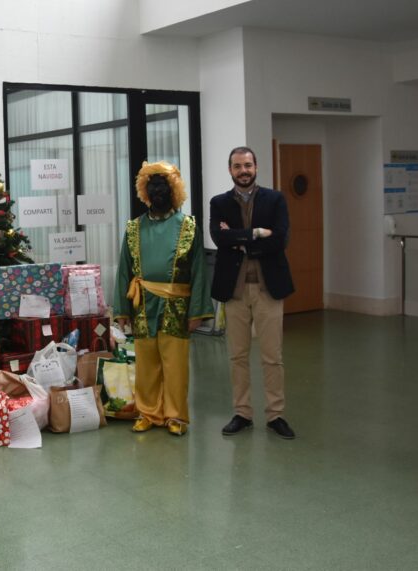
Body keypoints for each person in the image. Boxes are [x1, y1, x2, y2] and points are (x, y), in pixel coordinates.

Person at [114, 161, 212, 436]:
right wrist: (122, 309)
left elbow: (199, 272)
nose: (157, 191)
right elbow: (124, 269)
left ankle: (175, 415)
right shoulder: (133, 229)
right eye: (152, 185)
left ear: (174, 190)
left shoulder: (188, 226)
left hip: (176, 306)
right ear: (144, 191)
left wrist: (197, 312)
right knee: (146, 364)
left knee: (176, 365)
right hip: (143, 304)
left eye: (163, 185)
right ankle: (148, 413)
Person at [209, 147, 296, 440]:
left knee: (272, 356)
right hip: (234, 290)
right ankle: (242, 413)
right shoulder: (219, 202)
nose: (243, 170)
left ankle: (276, 415)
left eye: (247, 165)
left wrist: (240, 239)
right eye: (237, 166)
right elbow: (218, 238)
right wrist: (258, 233)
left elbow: (281, 238)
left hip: (268, 288)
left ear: (256, 167)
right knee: (237, 355)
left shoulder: (275, 199)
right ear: (230, 170)